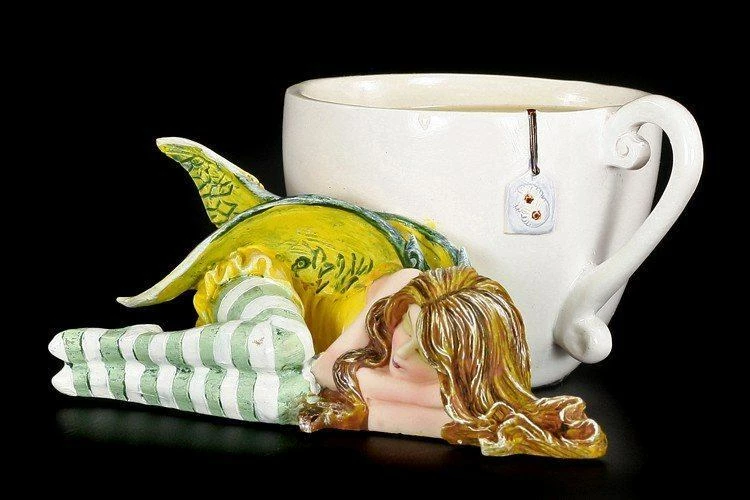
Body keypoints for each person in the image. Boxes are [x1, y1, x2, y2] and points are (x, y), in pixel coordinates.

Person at [50, 250, 606, 458]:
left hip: (269, 356)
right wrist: (384, 405)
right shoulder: (403, 291)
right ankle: (112, 346)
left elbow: (344, 401)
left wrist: (374, 411)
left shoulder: (464, 396)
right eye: (409, 327)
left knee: (287, 398)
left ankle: (106, 380)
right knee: (285, 349)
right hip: (262, 280)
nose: (402, 349)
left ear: (464, 366)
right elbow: (323, 368)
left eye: (429, 354)